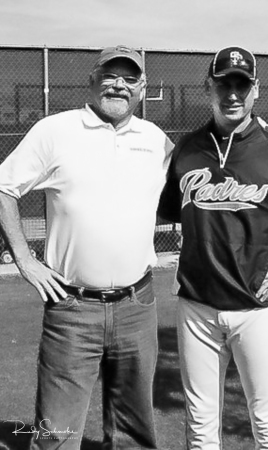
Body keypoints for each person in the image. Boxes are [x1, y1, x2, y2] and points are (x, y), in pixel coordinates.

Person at [0, 45, 173, 450]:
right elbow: (4, 186)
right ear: (91, 80)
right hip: (72, 309)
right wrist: (25, 259)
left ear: (143, 88)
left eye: (130, 78)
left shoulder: (156, 140)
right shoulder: (55, 130)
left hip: (138, 305)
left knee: (133, 432)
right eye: (110, 75)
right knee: (56, 435)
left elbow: (200, 176)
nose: (119, 84)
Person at [158, 46, 268, 449]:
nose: (232, 93)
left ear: (256, 90)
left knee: (266, 422)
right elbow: (168, 212)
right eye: (223, 83)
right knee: (200, 427)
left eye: (241, 84)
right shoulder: (186, 149)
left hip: (259, 307)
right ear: (209, 88)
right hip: (196, 307)